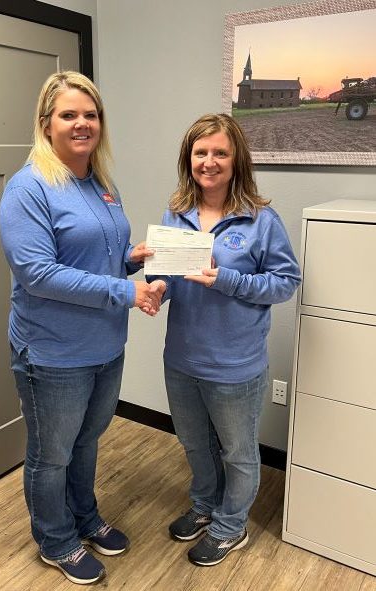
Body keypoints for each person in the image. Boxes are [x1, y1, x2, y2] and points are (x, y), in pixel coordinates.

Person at [0, 71, 163, 585]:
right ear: (46, 122)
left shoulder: (100, 182)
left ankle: (85, 517)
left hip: (105, 345)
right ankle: (56, 539)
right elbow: (39, 274)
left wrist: (132, 259)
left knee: (87, 440)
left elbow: (100, 256)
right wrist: (126, 292)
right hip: (53, 353)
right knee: (51, 455)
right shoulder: (28, 188)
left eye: (90, 114)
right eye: (68, 114)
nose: (81, 123)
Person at [157, 113, 301, 567]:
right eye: (201, 152)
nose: (209, 161)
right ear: (188, 158)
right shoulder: (176, 213)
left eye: (220, 152)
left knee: (238, 453)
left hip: (235, 365)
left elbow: (285, 283)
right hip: (182, 359)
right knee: (195, 444)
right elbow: (170, 274)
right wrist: (157, 289)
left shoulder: (261, 219)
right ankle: (205, 505)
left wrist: (228, 280)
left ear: (237, 159)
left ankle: (230, 526)